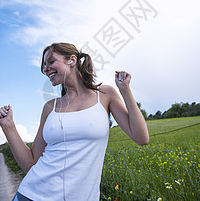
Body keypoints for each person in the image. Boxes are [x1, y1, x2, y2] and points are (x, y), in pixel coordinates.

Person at [0, 42, 149, 201]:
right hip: (31, 195)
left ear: (71, 60)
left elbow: (141, 138)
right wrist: (8, 126)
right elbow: (31, 164)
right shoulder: (50, 107)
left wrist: (125, 90)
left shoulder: (105, 95)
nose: (45, 69)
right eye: (43, 66)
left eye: (50, 62)